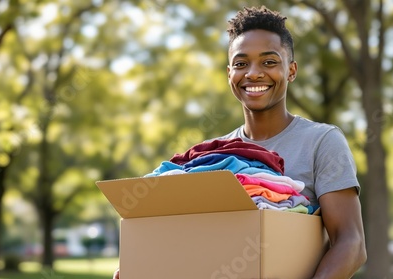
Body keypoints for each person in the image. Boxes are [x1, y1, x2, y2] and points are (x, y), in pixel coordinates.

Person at [113, 5, 366, 279]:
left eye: (269, 62)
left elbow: (351, 243)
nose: (253, 74)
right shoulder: (213, 156)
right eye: (241, 64)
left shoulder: (322, 142)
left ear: (291, 70)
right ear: (229, 73)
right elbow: (192, 238)